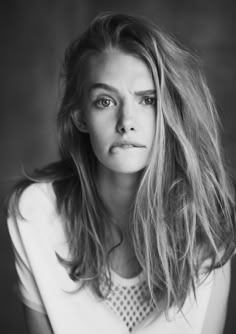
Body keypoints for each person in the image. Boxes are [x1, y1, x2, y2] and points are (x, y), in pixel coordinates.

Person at [7, 12, 236, 334]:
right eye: (105, 101)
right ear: (80, 117)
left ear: (170, 111)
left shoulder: (207, 219)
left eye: (147, 100)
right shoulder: (36, 212)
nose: (126, 120)